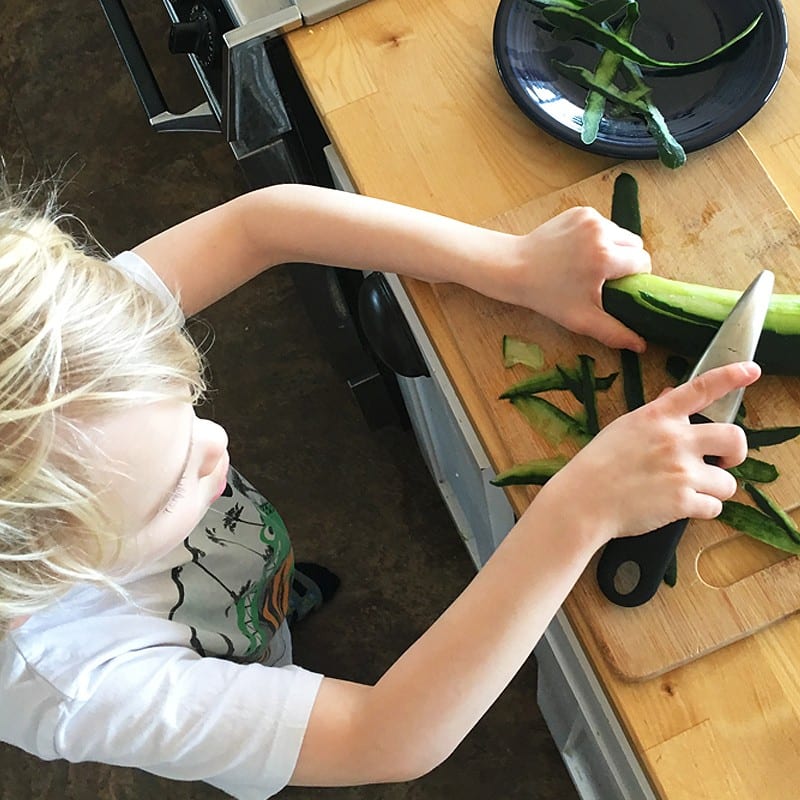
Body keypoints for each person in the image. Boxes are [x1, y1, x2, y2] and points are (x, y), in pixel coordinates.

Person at [0, 179, 756, 799]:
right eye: (167, 491)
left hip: (220, 567)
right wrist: (577, 509)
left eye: (189, 407)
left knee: (253, 589)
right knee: (252, 663)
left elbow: (260, 224)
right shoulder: (74, 684)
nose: (216, 446)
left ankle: (272, 603)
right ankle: (260, 648)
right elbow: (381, 736)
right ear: (44, 584)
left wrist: (508, 262)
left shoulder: (60, 350)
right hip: (202, 659)